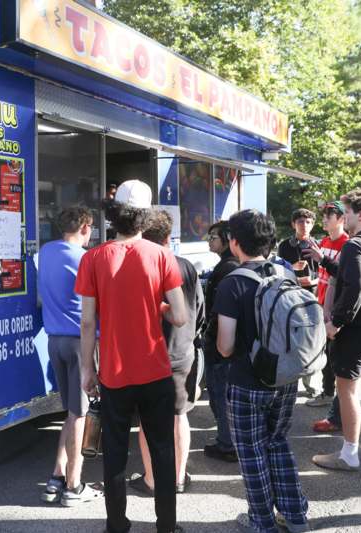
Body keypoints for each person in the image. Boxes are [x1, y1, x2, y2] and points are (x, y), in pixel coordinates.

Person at [76, 179, 187, 533]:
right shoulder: (161, 255)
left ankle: (117, 525)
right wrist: (159, 303)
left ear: (113, 216)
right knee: (162, 452)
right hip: (155, 371)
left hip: (113, 372)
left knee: (114, 452)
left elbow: (87, 322)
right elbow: (181, 317)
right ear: (146, 218)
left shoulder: (92, 258)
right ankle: (166, 526)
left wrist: (86, 370)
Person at [214, 209, 309, 533]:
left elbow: (225, 346)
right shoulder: (285, 273)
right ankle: (295, 517)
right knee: (278, 442)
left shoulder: (232, 283)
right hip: (285, 377)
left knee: (252, 452)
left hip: (247, 382)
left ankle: (262, 522)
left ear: (235, 243)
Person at [312, 189, 361, 473]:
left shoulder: (355, 246)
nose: (343, 219)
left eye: (346, 213)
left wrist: (337, 323)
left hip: (356, 330)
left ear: (360, 214)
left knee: (347, 390)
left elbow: (355, 288)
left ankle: (349, 454)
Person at [131, 210, 205, 495]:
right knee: (179, 416)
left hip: (148, 355)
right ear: (168, 237)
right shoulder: (186, 266)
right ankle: (178, 477)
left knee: (147, 421)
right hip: (182, 352)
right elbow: (199, 311)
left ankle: (151, 480)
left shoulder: (137, 265)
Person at [37, 206, 103, 506]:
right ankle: (74, 487)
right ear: (86, 228)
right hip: (81, 343)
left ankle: (56, 476)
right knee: (80, 415)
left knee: (72, 412)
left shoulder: (46, 252)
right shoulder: (88, 259)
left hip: (54, 342)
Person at [302, 201, 350, 409]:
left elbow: (344, 276)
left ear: (341, 219)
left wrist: (322, 260)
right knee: (324, 351)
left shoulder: (347, 244)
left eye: (328, 216)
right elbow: (322, 275)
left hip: (336, 309)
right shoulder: (323, 242)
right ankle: (327, 392)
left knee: (334, 354)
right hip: (321, 303)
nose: (323, 219)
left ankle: (332, 396)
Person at [202, 221, 240, 463]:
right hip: (224, 341)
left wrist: (210, 335)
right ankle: (227, 440)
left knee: (220, 393)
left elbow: (220, 311)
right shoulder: (227, 265)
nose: (209, 241)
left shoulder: (228, 267)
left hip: (221, 343)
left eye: (213, 237)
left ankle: (227, 444)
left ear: (227, 238)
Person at [277, 208, 319, 397]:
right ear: (294, 224)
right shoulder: (285, 245)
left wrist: (312, 282)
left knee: (311, 340)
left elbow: (324, 274)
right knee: (290, 339)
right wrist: (293, 270)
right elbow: (278, 271)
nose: (304, 225)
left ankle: (310, 383)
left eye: (308, 222)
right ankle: (289, 384)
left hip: (312, 296)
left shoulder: (317, 244)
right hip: (290, 296)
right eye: (301, 221)